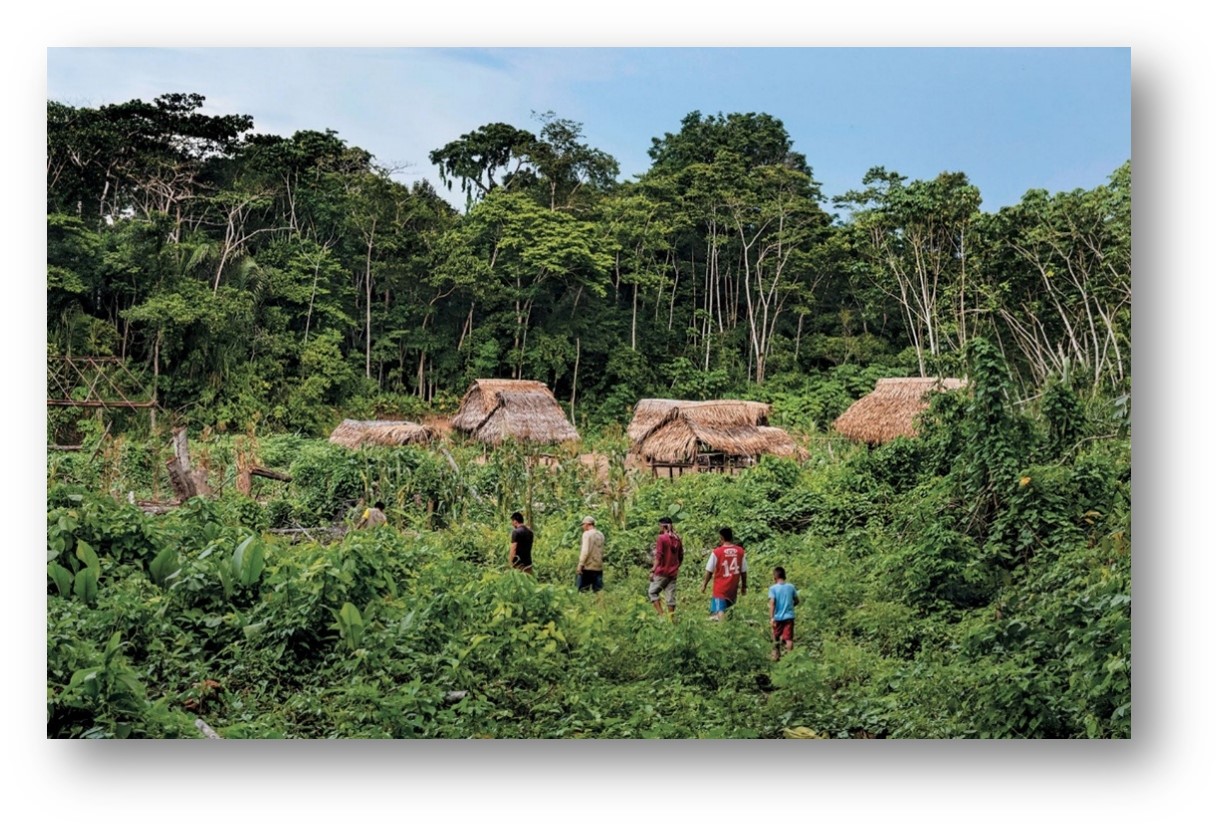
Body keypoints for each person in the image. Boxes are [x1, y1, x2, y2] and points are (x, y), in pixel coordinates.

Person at [702, 527, 747, 620]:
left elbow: (709, 571)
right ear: (732, 538)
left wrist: (704, 585)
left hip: (720, 589)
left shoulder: (717, 552)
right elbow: (743, 572)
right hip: (733, 588)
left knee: (720, 610)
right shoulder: (740, 551)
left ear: (721, 538)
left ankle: (722, 630)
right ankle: (730, 629)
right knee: (730, 610)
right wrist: (743, 586)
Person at [648, 516, 684, 617]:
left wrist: (653, 570)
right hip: (673, 573)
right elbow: (681, 555)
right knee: (670, 597)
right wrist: (676, 566)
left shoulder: (661, 538)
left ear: (662, 526)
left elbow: (659, 555)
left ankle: (662, 616)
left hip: (662, 572)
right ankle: (671, 619)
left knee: (652, 592)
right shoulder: (677, 538)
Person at [768, 566, 800, 660]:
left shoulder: (773, 589)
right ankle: (790, 658)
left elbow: (772, 603)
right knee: (789, 638)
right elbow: (797, 601)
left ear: (775, 577)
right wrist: (790, 607)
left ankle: (776, 655)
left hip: (777, 617)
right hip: (789, 617)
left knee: (775, 636)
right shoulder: (791, 587)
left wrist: (772, 617)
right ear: (784, 576)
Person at [575, 515, 605, 592]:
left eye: (583, 524)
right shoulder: (601, 535)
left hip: (587, 567)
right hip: (598, 567)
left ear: (588, 524)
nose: (582, 527)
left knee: (583, 591)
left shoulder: (587, 534)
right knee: (598, 592)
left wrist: (580, 564)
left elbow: (585, 551)